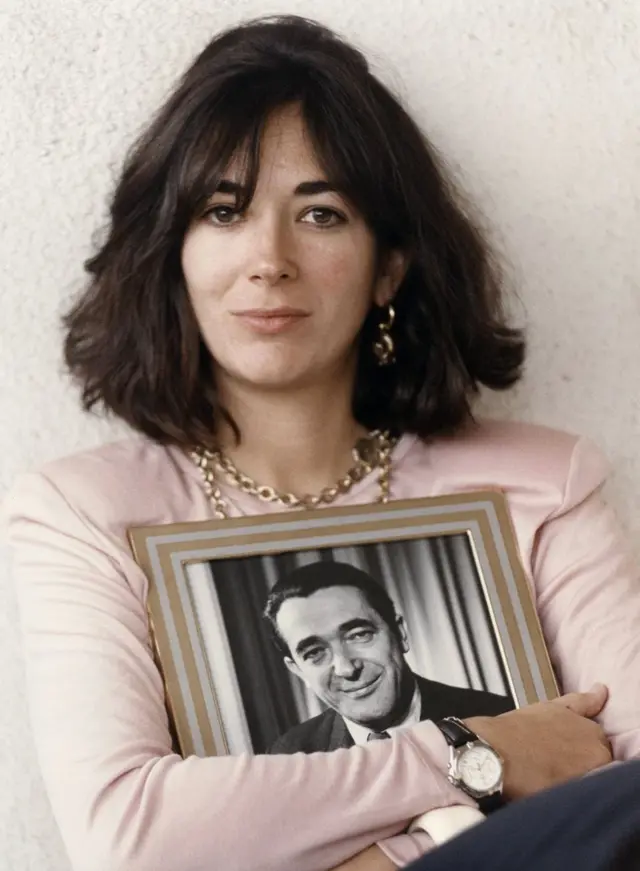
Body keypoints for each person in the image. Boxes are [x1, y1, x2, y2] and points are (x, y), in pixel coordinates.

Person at [3, 13, 639, 871]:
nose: (269, 258)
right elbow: (129, 840)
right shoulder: (82, 512)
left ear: (389, 267)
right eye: (224, 211)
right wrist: (471, 757)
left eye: (323, 214)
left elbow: (625, 788)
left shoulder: (543, 482)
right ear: (174, 254)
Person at [264, 561, 511, 753]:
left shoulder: (501, 718)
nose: (346, 668)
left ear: (400, 633)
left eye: (359, 635)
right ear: (297, 670)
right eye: (315, 653)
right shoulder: (289, 757)